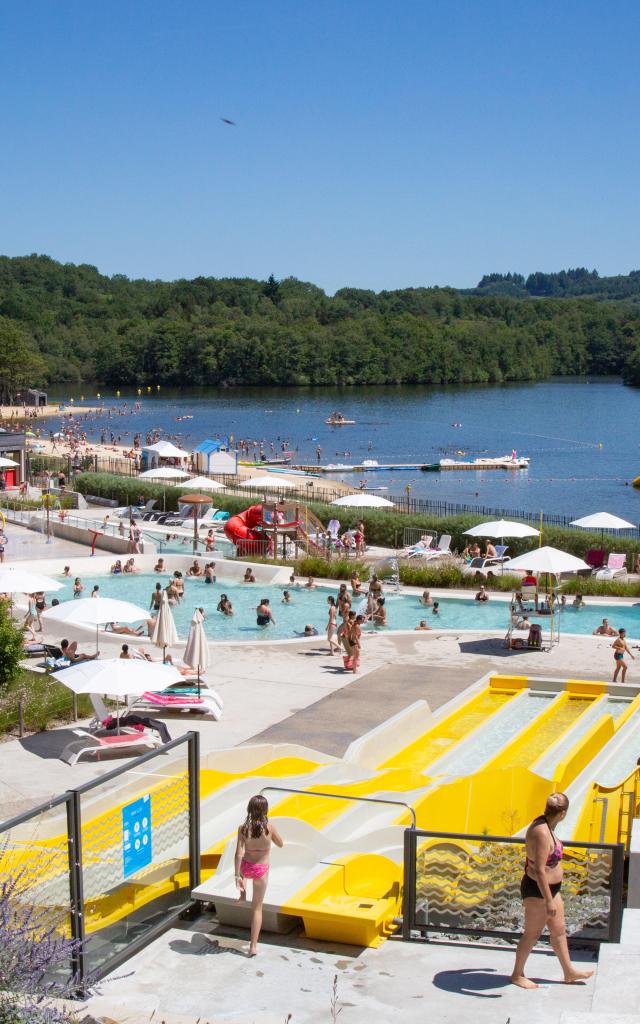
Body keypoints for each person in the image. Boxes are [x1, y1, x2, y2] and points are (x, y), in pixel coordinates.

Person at [511, 792, 594, 988]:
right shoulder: (541, 832)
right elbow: (539, 870)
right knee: (532, 934)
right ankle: (516, 975)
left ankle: (569, 972)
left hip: (551, 889)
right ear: (563, 813)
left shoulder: (546, 824)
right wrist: (548, 900)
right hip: (539, 890)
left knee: (558, 931)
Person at [234, 795, 284, 957]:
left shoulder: (243, 828)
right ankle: (253, 946)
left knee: (243, 871)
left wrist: (237, 876)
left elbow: (239, 853)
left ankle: (242, 894)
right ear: (265, 810)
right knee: (257, 908)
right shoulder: (269, 828)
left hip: (246, 867)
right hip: (261, 869)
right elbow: (281, 844)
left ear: (249, 809)